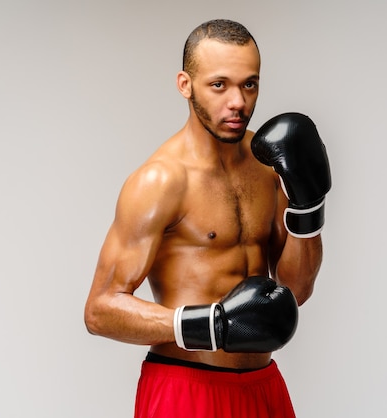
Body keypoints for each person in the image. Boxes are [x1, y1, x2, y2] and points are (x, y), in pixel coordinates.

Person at [84, 19, 331, 418]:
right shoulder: (161, 181)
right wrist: (211, 324)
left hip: (262, 385)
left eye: (249, 84)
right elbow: (99, 311)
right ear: (185, 84)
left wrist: (308, 206)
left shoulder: (269, 166)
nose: (238, 102)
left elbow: (296, 290)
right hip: (185, 386)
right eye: (219, 85)